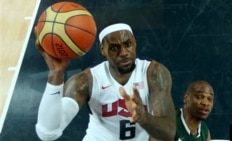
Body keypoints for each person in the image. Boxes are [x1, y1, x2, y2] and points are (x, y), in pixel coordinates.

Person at [35, 23, 176, 141]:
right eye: (114, 48)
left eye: (128, 44)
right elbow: (48, 133)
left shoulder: (154, 73)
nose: (124, 52)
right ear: (103, 50)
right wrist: (56, 73)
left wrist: (143, 117)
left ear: (135, 42)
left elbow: (168, 133)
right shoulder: (86, 81)